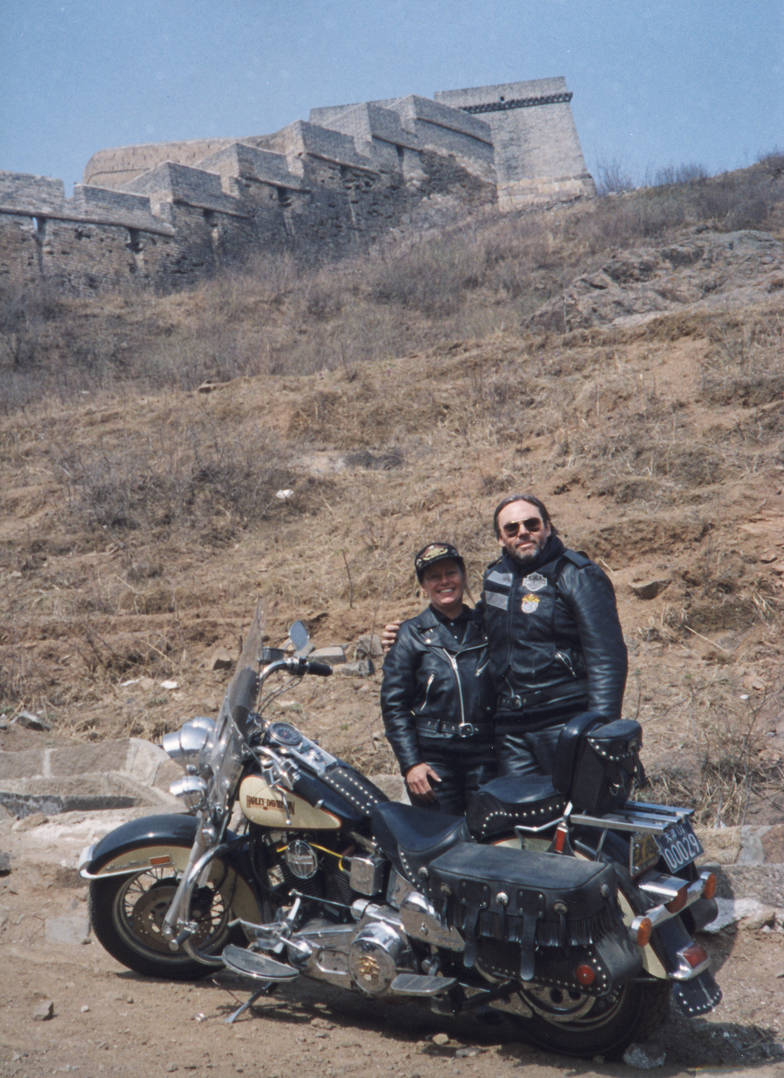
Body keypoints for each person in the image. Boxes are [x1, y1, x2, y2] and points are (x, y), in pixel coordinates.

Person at [482, 493, 627, 777]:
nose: (523, 532)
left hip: (566, 722)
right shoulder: (495, 578)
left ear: (547, 527)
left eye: (532, 524)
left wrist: (601, 730)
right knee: (520, 807)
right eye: (511, 528)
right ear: (500, 538)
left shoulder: (577, 574)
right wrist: (409, 631)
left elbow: (607, 657)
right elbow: (480, 628)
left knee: (581, 805)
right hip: (512, 731)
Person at [380, 542, 495, 814]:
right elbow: (394, 706)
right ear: (423, 586)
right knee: (442, 836)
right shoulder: (409, 635)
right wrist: (411, 764)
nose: (444, 582)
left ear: (463, 576)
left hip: (486, 754)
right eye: (434, 576)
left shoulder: (488, 625)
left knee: (493, 834)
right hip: (433, 759)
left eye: (450, 573)